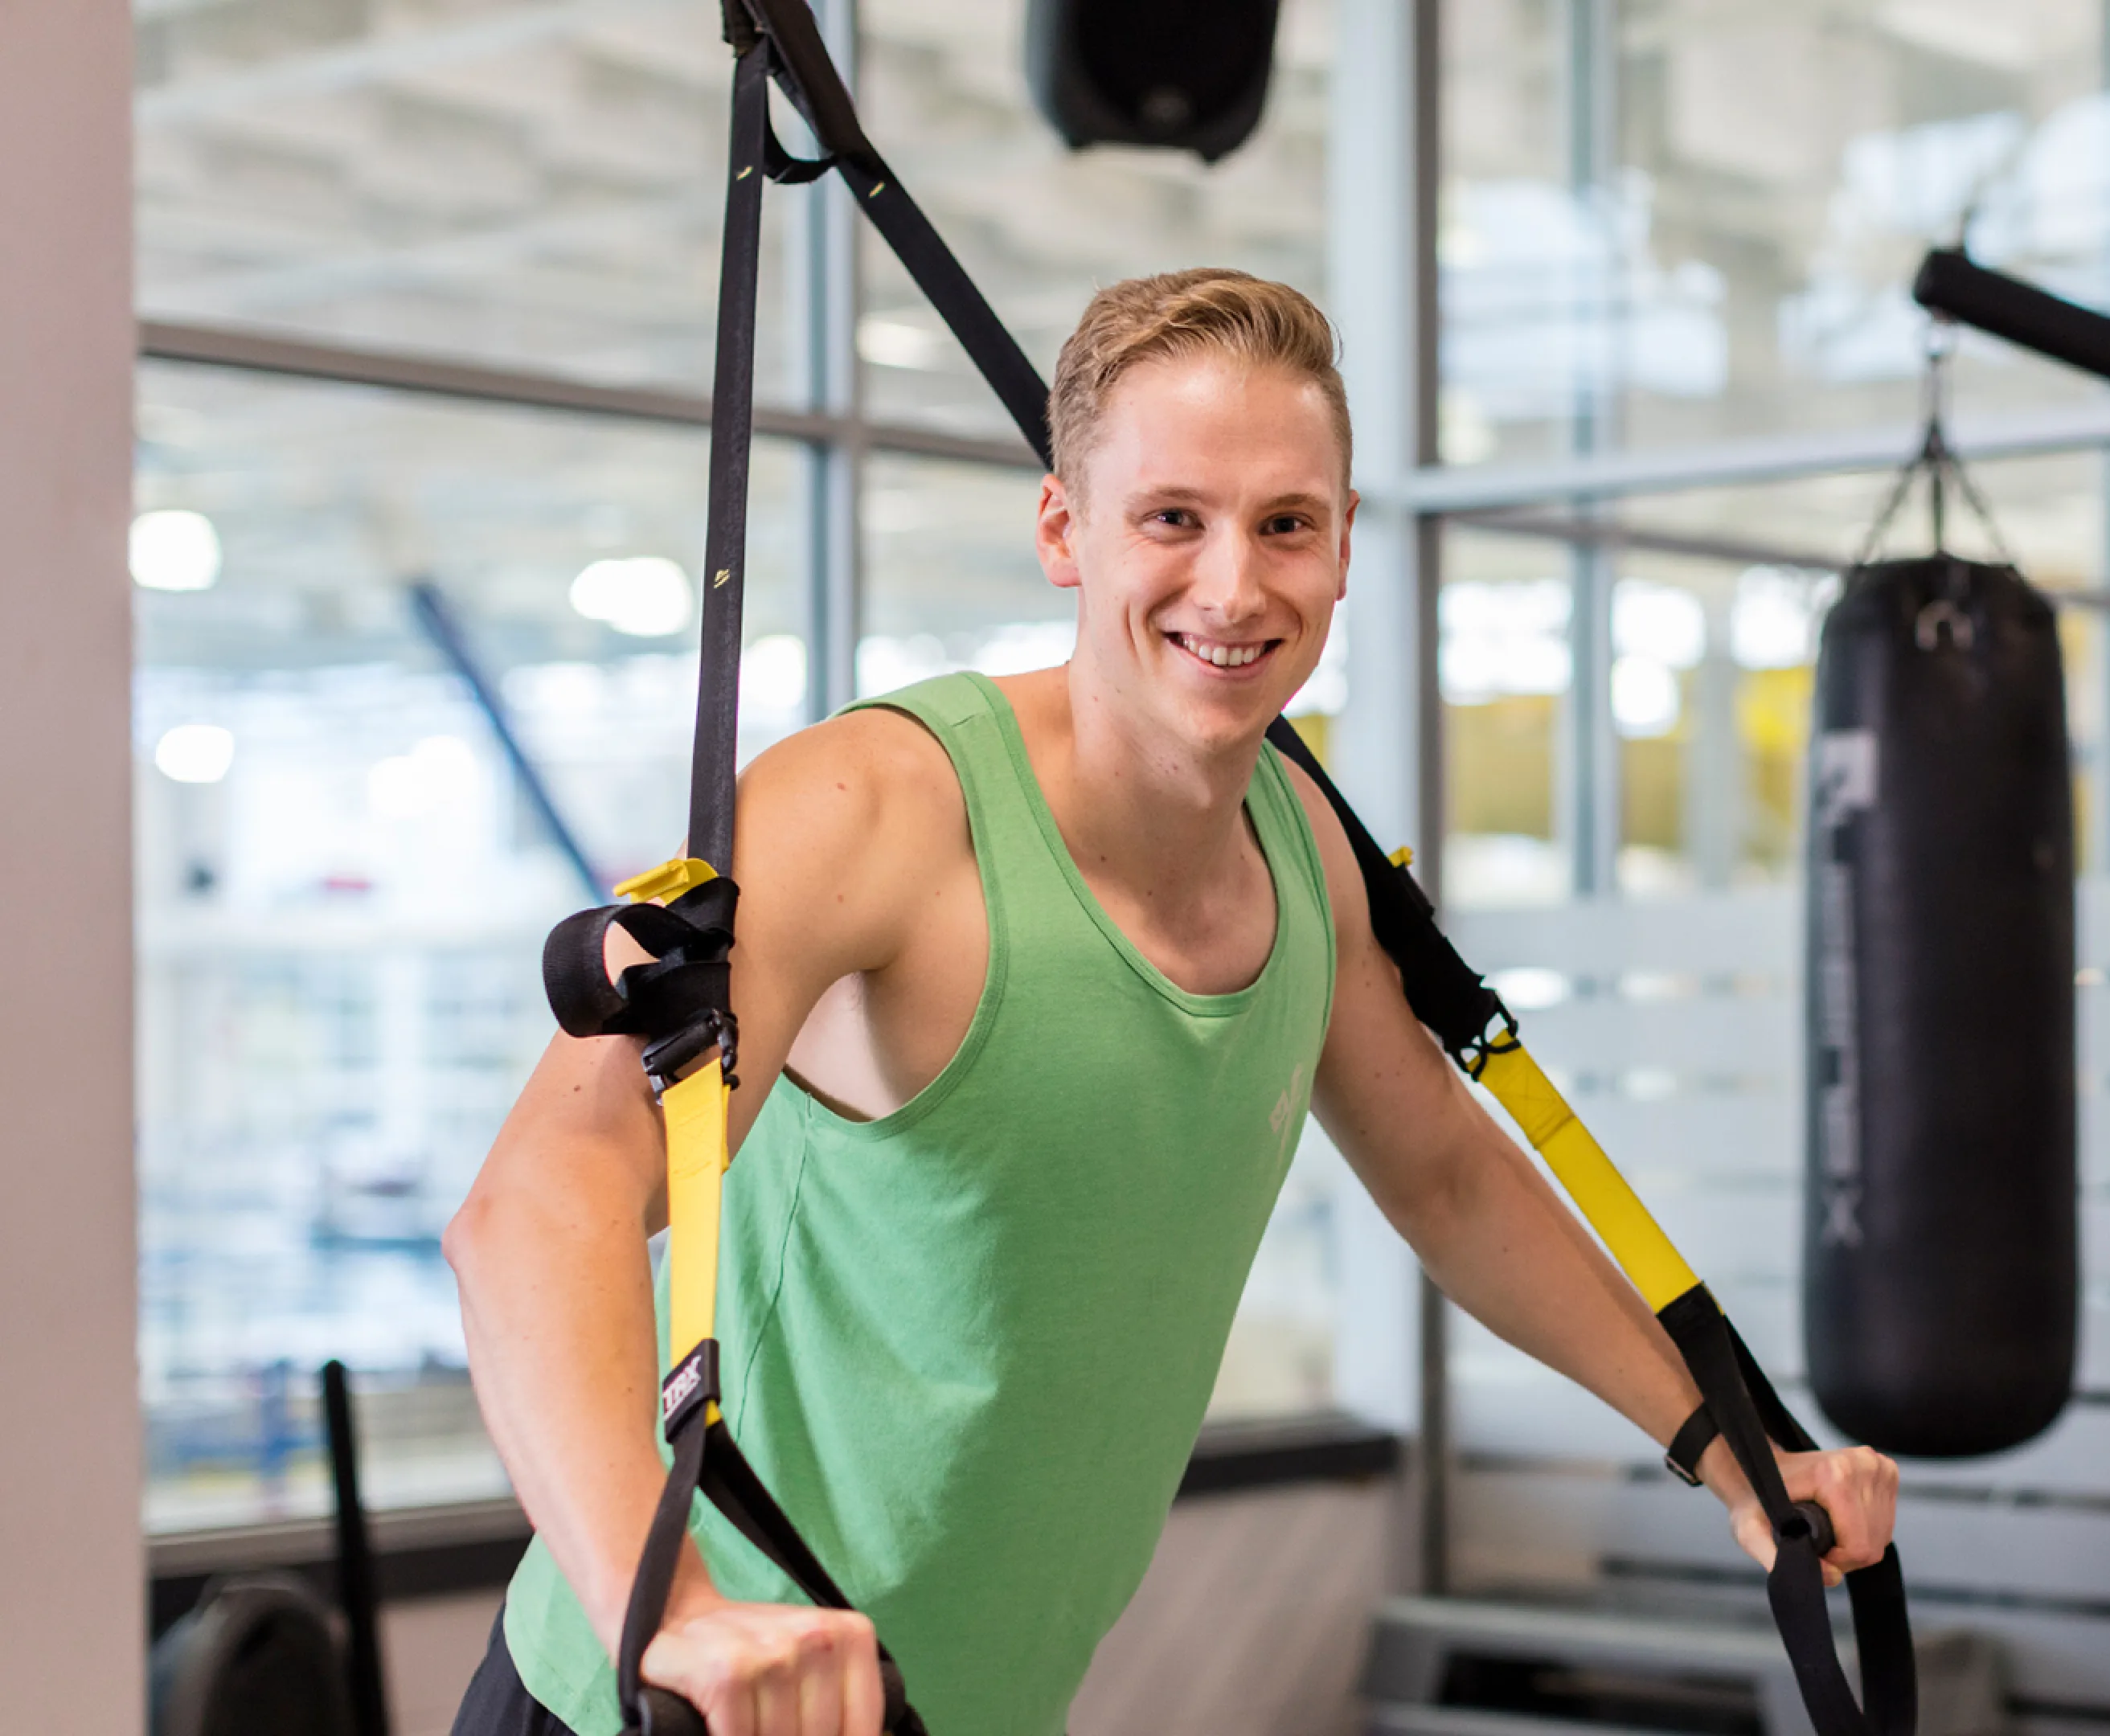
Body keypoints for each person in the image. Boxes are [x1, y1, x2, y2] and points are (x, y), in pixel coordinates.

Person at [443, 268, 1901, 1736]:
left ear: (1341, 554)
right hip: (673, 1701)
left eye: (1286, 525)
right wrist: (674, 1609)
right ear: (1064, 531)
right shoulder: (876, 805)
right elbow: (539, 1201)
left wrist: (1727, 1448)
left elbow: (1453, 1180)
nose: (1233, 586)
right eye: (1172, 518)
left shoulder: (1305, 851)